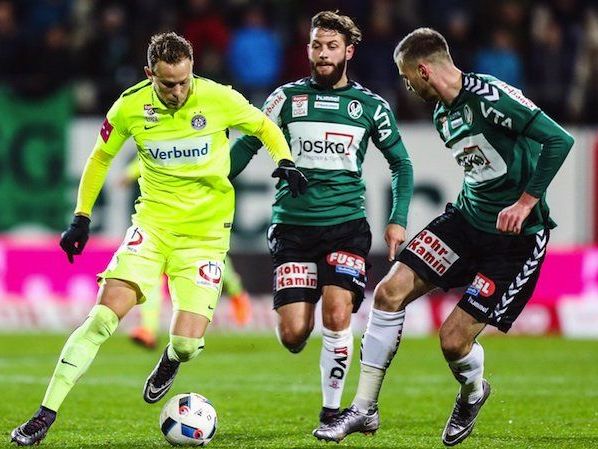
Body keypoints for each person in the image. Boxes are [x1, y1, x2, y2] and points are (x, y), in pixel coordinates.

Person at [10, 31, 307, 446]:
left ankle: (170, 361)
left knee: (186, 344)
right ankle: (44, 414)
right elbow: (100, 159)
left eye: (185, 81)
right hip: (151, 229)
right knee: (100, 320)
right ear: (150, 74)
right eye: (168, 83)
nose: (178, 91)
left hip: (204, 239)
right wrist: (81, 217)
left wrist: (286, 161)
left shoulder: (218, 97)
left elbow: (263, 126)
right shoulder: (131, 106)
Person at [314, 27, 574, 446]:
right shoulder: (441, 114)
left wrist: (525, 202)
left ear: (422, 70)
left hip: (516, 240)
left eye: (405, 77)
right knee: (388, 292)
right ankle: (363, 408)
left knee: (453, 342)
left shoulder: (491, 97)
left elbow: (559, 140)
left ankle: (473, 392)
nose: (406, 85)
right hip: (465, 223)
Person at [230, 11, 414, 427]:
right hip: (292, 229)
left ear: (349, 51)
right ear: (308, 48)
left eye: (332, 46)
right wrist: (212, 179)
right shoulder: (284, 99)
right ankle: (335, 391)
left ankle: (333, 413)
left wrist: (397, 218)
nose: (323, 54)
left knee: (336, 313)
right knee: (294, 335)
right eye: (317, 45)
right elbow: (246, 147)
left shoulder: (370, 106)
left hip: (345, 227)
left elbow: (402, 164)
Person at [116, 157, 254, 350]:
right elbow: (152, 155)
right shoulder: (172, 141)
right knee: (154, 277)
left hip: (198, 219)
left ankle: (237, 294)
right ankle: (148, 329)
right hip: (164, 221)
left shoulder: (201, 144)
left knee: (216, 266)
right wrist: (130, 173)